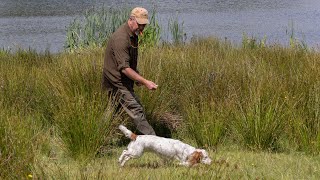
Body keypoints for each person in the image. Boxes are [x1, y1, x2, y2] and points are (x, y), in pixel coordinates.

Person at [102, 7, 157, 135]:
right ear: (131, 19)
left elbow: (128, 62)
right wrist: (144, 82)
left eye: (144, 25)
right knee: (136, 109)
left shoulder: (134, 34)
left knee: (111, 112)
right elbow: (124, 68)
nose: (142, 28)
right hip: (117, 82)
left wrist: (136, 77)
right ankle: (155, 142)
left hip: (122, 80)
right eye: (140, 24)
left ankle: (95, 138)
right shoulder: (121, 38)